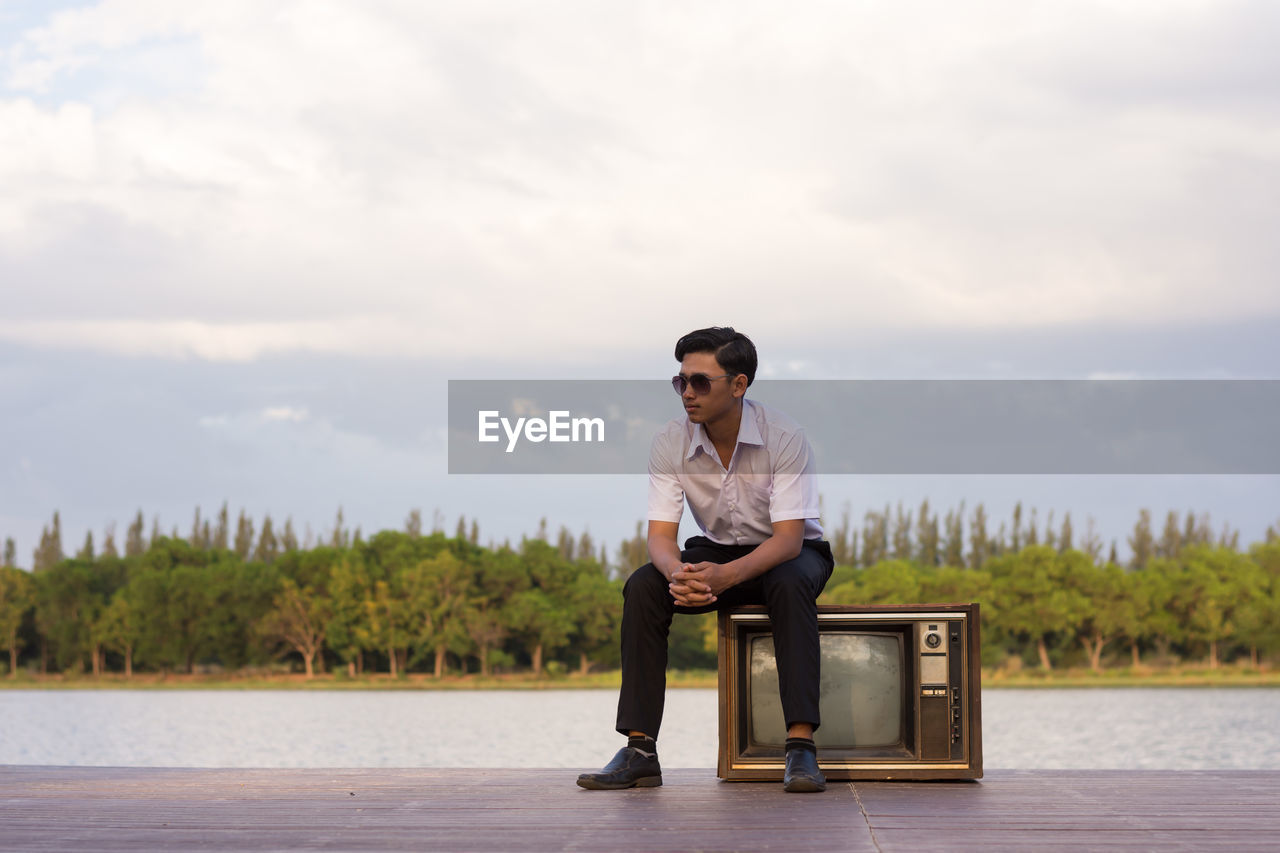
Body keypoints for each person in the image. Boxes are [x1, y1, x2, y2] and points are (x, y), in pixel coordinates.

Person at [577, 326, 834, 793]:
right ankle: (639, 750)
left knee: (788, 582)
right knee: (643, 586)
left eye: (701, 382)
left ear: (739, 385)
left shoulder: (785, 437)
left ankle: (800, 748)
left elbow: (789, 539)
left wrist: (722, 577)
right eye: (681, 382)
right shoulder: (669, 441)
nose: (687, 393)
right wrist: (679, 575)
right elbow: (659, 536)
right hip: (714, 551)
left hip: (789, 553)